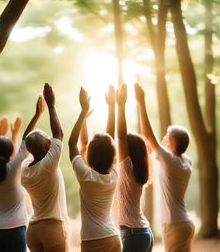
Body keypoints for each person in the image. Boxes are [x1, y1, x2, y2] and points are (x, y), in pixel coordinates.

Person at [134, 83, 194, 252]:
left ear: (173, 144)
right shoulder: (186, 162)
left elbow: (147, 134)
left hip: (174, 225)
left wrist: (141, 102)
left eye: (167, 136)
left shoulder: (170, 161)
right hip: (185, 224)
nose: (163, 138)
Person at [68, 85, 121, 252]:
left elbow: (71, 143)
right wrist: (112, 107)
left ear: (89, 157)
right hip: (113, 238)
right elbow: (109, 139)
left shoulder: (86, 176)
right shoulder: (114, 173)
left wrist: (83, 112)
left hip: (93, 241)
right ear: (112, 157)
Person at [0, 102, 44, 252]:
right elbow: (25, 144)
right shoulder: (12, 170)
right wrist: (37, 114)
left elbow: (5, 154)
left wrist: (2, 136)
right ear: (10, 151)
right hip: (15, 230)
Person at [21, 83, 68, 252]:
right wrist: (51, 105)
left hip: (32, 230)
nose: (51, 139)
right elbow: (59, 134)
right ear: (45, 148)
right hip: (52, 228)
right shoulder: (49, 165)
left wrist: (36, 115)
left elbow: (24, 143)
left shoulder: (25, 169)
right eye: (47, 140)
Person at [116, 83, 153, 252]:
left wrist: (121, 105)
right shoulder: (139, 169)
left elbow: (121, 136)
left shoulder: (127, 167)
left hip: (132, 234)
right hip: (145, 232)